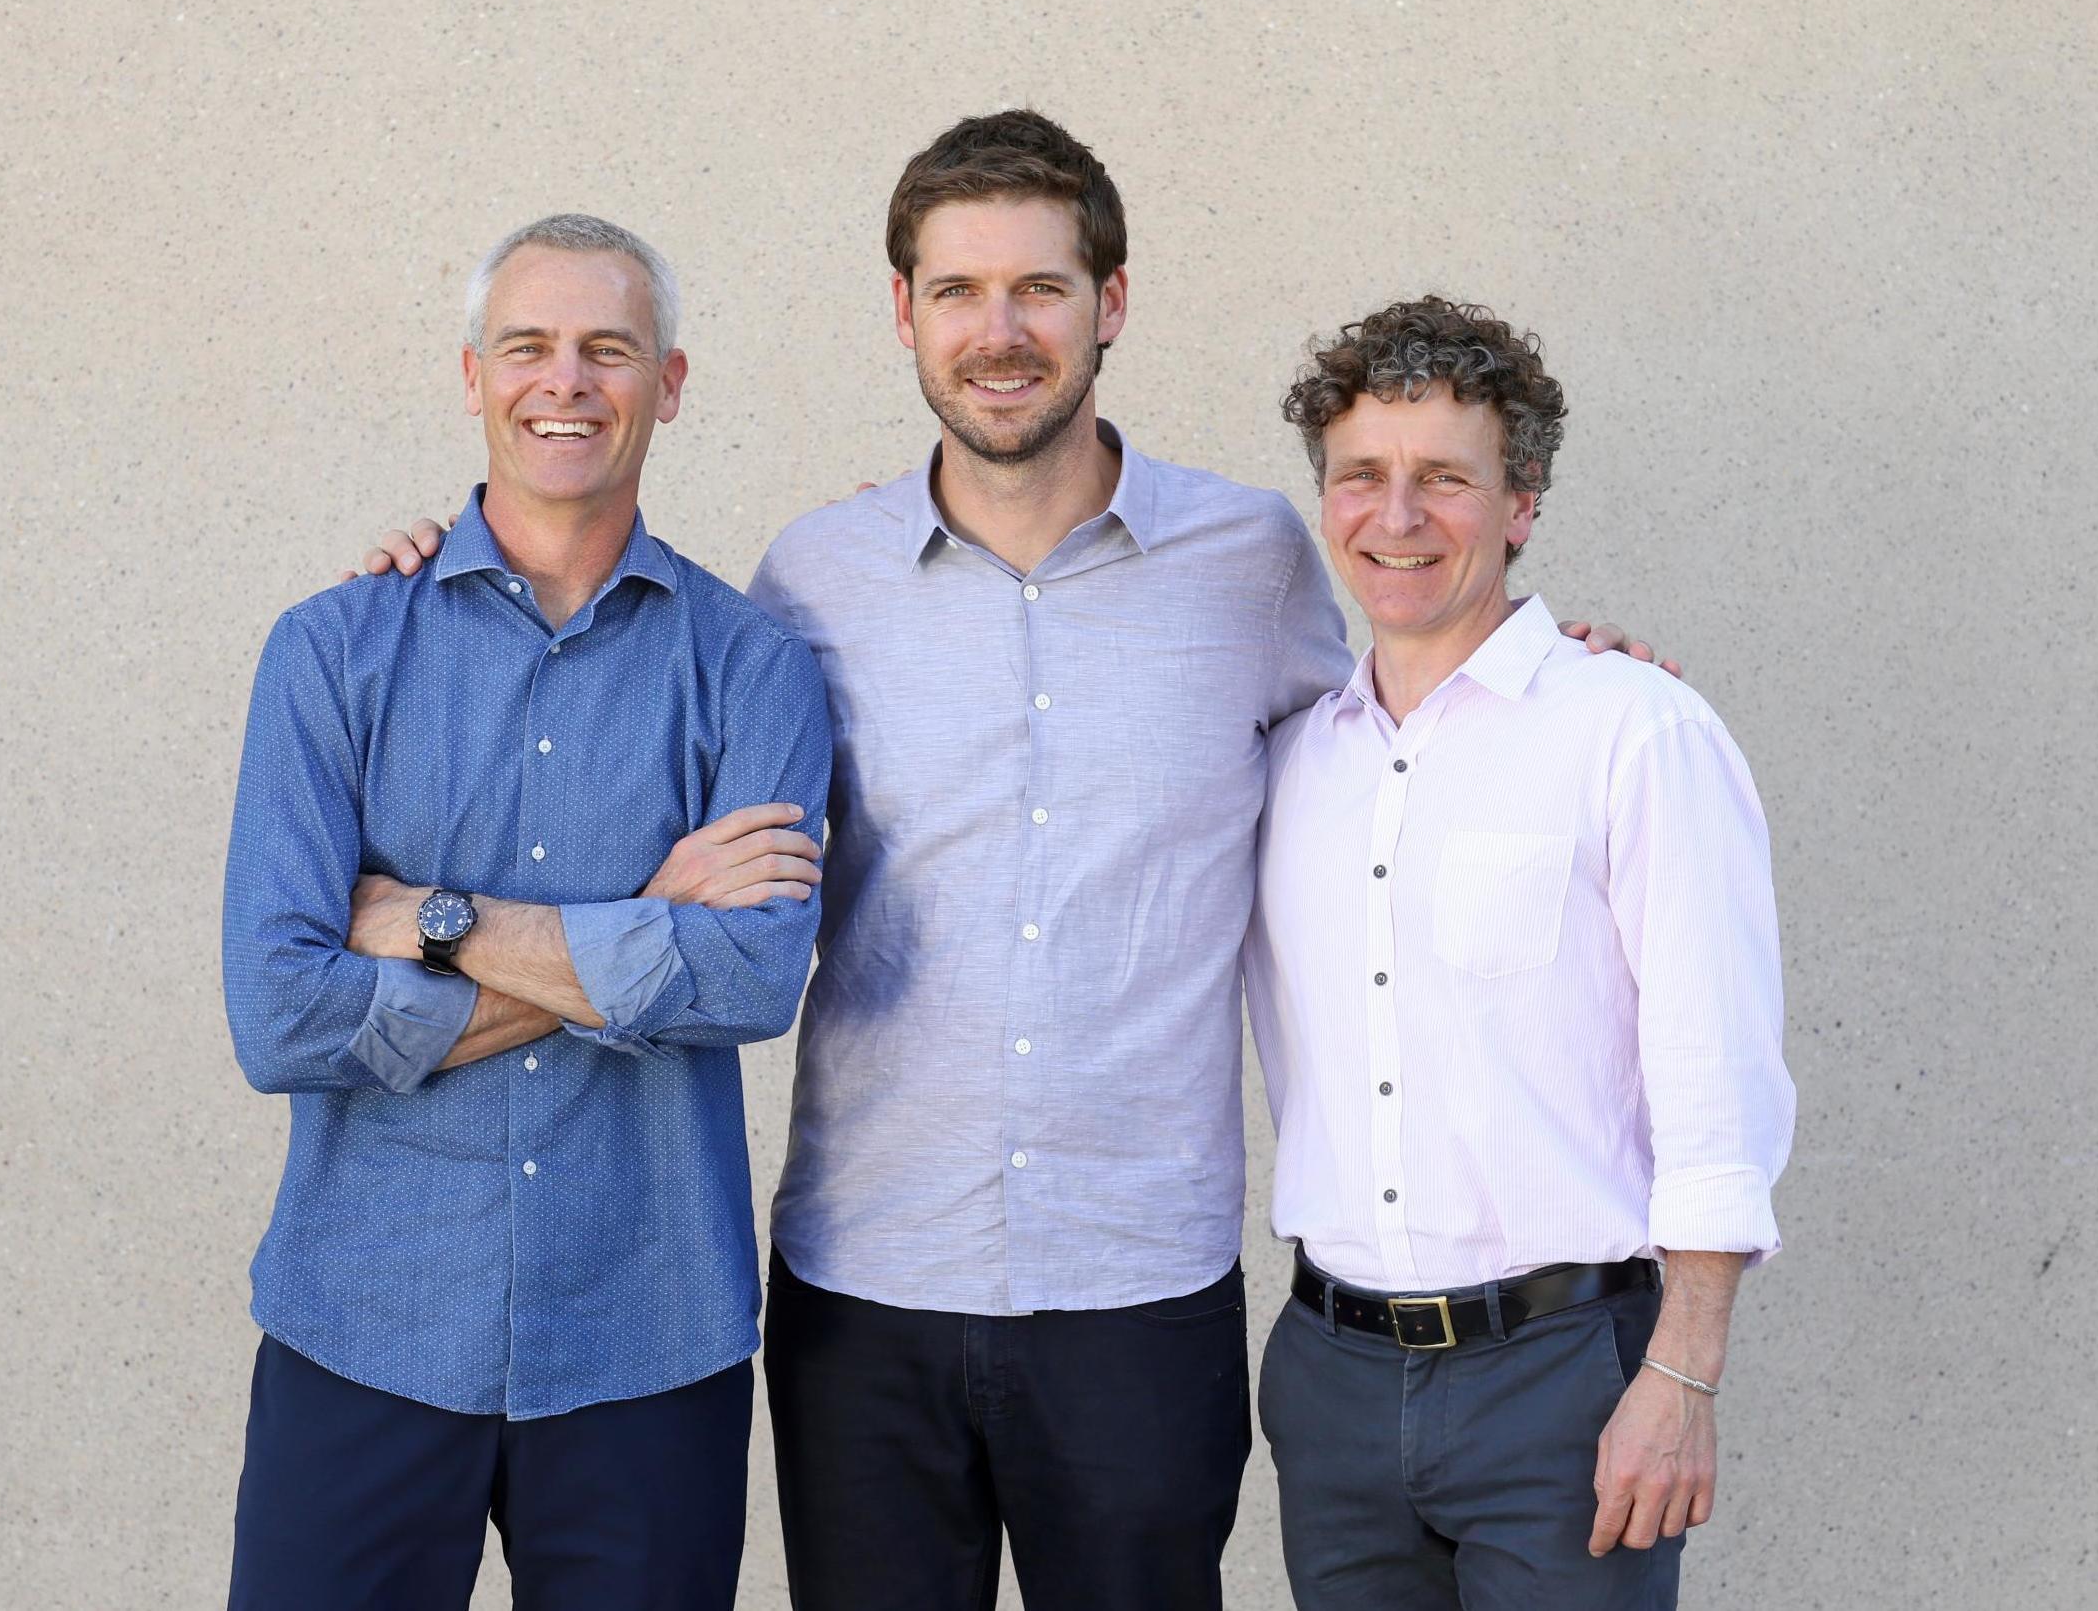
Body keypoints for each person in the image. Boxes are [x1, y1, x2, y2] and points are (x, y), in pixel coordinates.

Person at [354, 115, 1663, 1611]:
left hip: (1138, 1290)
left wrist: (1558, 676)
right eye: (957, 291)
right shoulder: (813, 578)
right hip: (866, 1288)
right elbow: (641, 770)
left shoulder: (1249, 563)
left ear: (1109, 304)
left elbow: (1401, 741)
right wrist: (440, 566)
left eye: (1037, 289)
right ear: (901, 314)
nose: (998, 332)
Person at [221, 213, 831, 1610]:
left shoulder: (750, 669)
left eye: (607, 349)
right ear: (472, 374)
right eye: (530, 346)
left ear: (667, 384)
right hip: (364, 1321)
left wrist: (426, 919)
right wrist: (640, 927)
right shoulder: (333, 650)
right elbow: (280, 1017)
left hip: (645, 1337)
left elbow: (743, 982)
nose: (566, 381)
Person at [1241, 296, 1796, 1609]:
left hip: (1559, 1379)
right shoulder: (1284, 764)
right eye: (1360, 478)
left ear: (1520, 502)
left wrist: (1681, 1374)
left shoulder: (1634, 734)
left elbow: (1715, 1081)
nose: (1396, 517)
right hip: (1327, 1376)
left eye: (1444, 479)